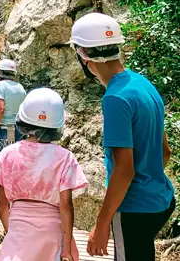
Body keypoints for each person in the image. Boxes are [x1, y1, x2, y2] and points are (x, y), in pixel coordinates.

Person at [69, 13, 175, 259]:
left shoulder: (116, 98)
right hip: (162, 199)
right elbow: (164, 152)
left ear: (82, 56)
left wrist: (102, 223)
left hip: (133, 209)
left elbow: (124, 169)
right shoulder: (143, 83)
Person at [0, 88, 88, 261]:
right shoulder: (65, 157)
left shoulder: (8, 153)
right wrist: (67, 247)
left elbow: (2, 204)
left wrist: (11, 231)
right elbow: (66, 206)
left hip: (18, 229)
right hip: (52, 232)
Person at [0, 59, 28, 157]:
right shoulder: (20, 87)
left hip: (3, 128)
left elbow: (1, 109)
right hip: (19, 129)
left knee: (0, 158)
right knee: (14, 157)